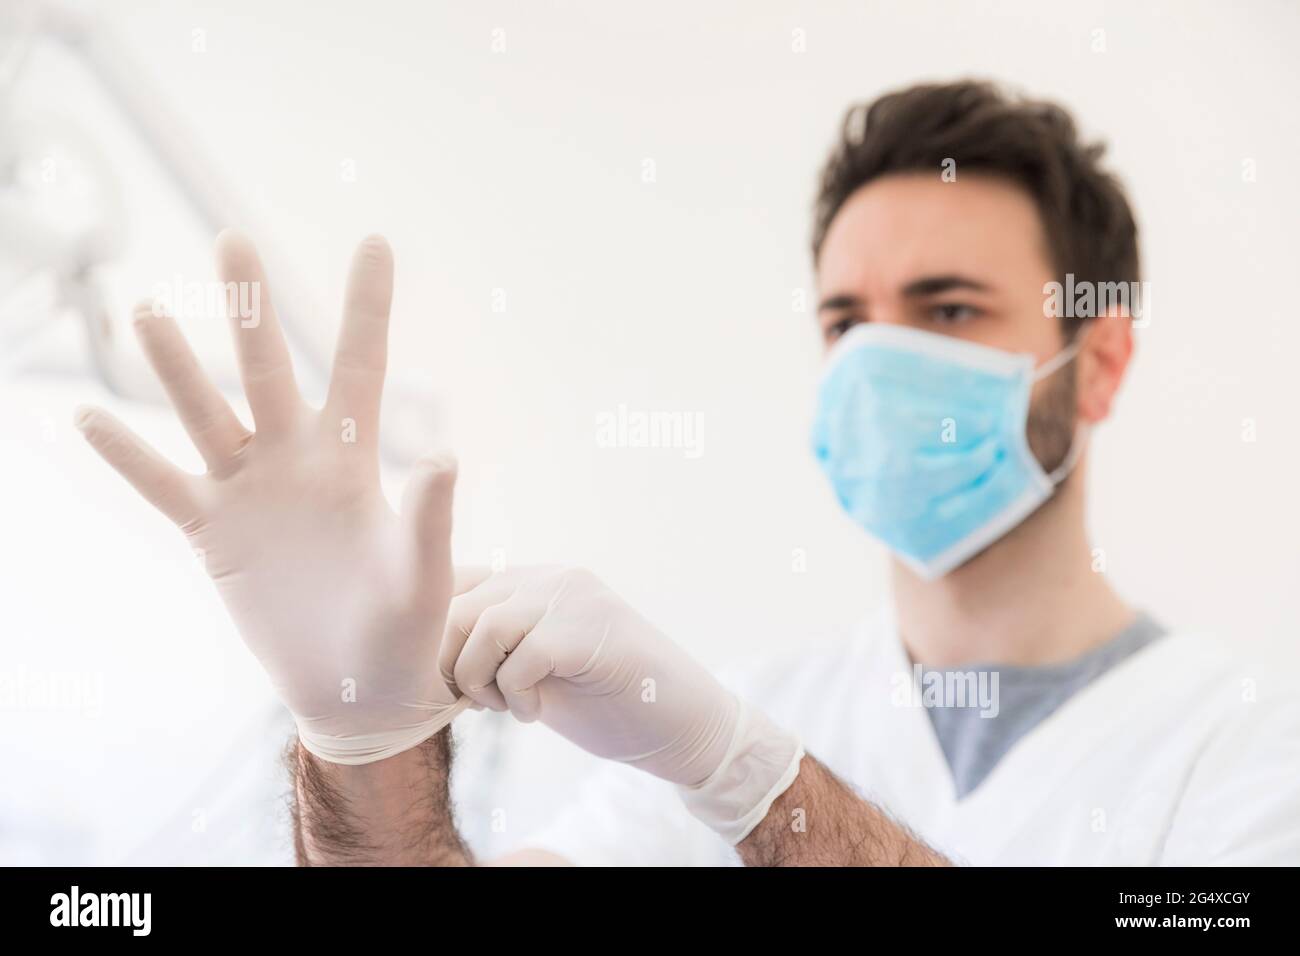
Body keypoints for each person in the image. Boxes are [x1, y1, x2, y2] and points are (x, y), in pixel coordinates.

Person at [79, 81, 1300, 866]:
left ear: (1096, 361)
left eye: (947, 308)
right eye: (844, 324)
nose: (880, 366)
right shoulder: (744, 718)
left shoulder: (1247, 752)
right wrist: (359, 742)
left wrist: (746, 776)